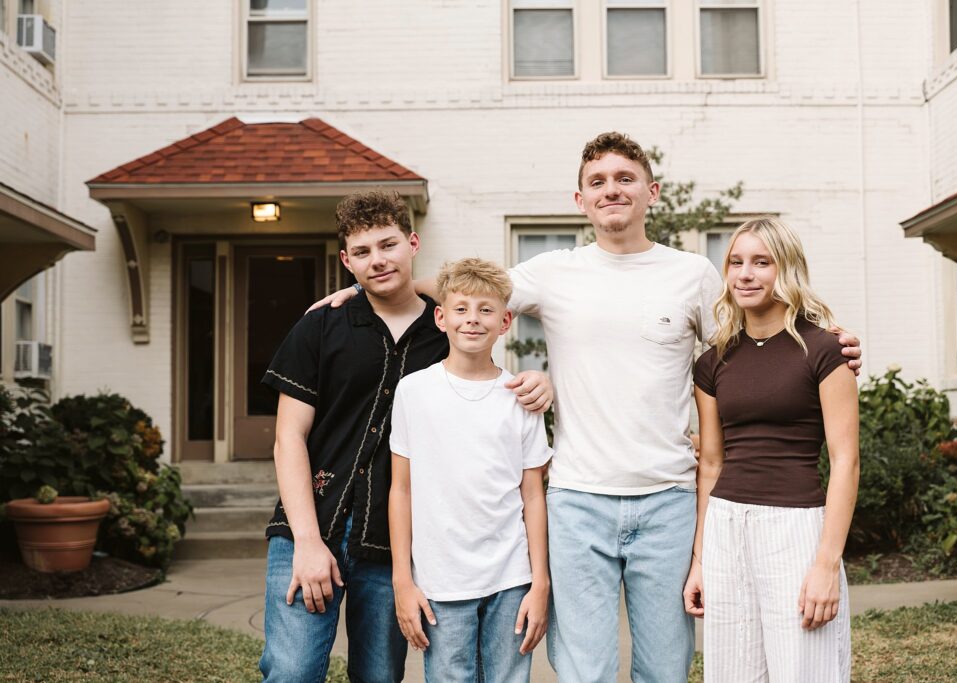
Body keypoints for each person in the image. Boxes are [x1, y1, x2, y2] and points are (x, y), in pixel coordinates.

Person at [311, 133, 862, 681]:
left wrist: (824, 340)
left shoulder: (692, 275)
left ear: (652, 191)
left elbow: (749, 346)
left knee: (666, 669)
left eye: (625, 178)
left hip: (667, 499)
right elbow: (468, 291)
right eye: (597, 182)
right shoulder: (553, 272)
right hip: (578, 501)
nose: (611, 190)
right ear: (580, 200)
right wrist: (374, 287)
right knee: (582, 670)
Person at [258, 191, 552, 683]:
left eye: (388, 245)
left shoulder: (448, 327)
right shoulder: (321, 326)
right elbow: (288, 438)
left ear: (412, 243)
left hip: (390, 544)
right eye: (363, 252)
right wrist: (307, 540)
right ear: (345, 260)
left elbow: (488, 312)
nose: (378, 260)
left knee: (379, 675)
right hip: (314, 523)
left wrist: (540, 379)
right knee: (291, 671)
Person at [683, 216, 859, 682]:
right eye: (736, 262)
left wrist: (826, 564)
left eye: (762, 262)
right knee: (734, 672)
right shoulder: (712, 360)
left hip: (795, 529)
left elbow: (846, 461)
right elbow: (712, 464)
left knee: (805, 669)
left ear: (787, 270)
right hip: (726, 527)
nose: (745, 274)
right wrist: (700, 561)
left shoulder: (826, 350)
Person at [389, 257, 551, 682]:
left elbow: (532, 494)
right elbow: (401, 490)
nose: (472, 320)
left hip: (511, 578)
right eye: (461, 309)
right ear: (441, 317)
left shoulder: (519, 396)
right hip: (441, 582)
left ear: (505, 320)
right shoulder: (414, 391)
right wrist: (403, 581)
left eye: (485, 310)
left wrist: (540, 582)